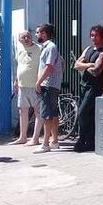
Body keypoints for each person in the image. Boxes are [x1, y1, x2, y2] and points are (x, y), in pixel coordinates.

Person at [73, 25, 103, 152]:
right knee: (88, 115)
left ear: (101, 36)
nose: (93, 38)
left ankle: (82, 139)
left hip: (94, 87)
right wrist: (90, 64)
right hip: (84, 85)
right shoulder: (88, 49)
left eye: (96, 35)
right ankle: (90, 142)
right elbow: (76, 65)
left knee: (82, 113)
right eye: (92, 35)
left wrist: (84, 66)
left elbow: (96, 71)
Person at [33, 23, 64, 154]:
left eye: (38, 32)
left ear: (44, 34)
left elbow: (49, 67)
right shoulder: (48, 47)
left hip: (48, 85)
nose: (36, 35)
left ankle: (45, 143)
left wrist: (38, 82)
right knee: (53, 113)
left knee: (46, 115)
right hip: (52, 84)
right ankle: (55, 141)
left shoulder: (50, 47)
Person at [10, 30, 43, 145]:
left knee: (38, 112)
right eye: (23, 37)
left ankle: (35, 138)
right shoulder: (20, 50)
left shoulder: (39, 48)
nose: (26, 39)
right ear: (20, 40)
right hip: (22, 86)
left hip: (35, 85)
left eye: (28, 36)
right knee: (23, 111)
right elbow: (20, 66)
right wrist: (16, 80)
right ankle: (22, 137)